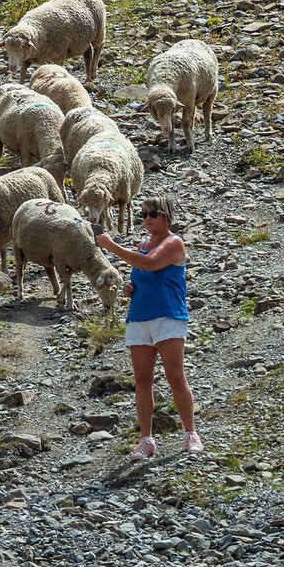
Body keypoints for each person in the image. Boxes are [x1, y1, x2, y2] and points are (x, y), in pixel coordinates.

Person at [94, 194, 202, 459]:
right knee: (142, 380)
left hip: (167, 315)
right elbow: (144, 271)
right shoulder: (143, 244)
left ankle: (191, 433)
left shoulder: (174, 242)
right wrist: (132, 288)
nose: (147, 219)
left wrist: (109, 245)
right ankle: (146, 439)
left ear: (166, 215)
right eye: (143, 215)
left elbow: (149, 263)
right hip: (140, 316)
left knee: (175, 376)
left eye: (152, 214)